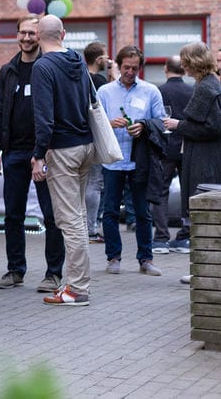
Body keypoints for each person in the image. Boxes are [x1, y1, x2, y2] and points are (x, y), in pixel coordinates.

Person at [0, 14, 64, 294]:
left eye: (32, 34)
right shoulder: (8, 70)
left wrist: (44, 152)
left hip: (45, 153)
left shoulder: (47, 68)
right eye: (22, 33)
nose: (26, 38)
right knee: (13, 215)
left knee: (51, 215)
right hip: (14, 153)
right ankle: (15, 269)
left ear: (40, 36)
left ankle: (53, 273)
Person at [31, 15, 97, 307]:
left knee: (70, 222)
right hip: (85, 145)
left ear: (36, 35)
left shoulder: (43, 67)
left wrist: (37, 156)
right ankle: (73, 283)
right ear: (64, 34)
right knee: (78, 217)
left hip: (62, 150)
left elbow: (44, 119)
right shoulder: (77, 61)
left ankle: (78, 289)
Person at [164, 42, 221, 257]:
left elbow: (211, 127)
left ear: (193, 61)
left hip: (206, 160)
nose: (182, 64)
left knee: (205, 217)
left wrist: (177, 125)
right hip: (210, 157)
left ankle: (202, 267)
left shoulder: (205, 87)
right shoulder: (210, 83)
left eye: (185, 59)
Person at [96, 46, 167, 277]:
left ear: (140, 67)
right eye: (126, 67)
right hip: (113, 160)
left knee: (142, 211)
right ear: (118, 65)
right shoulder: (105, 91)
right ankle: (113, 258)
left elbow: (162, 122)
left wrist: (144, 125)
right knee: (110, 211)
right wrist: (109, 122)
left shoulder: (151, 91)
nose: (130, 72)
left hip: (139, 160)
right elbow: (94, 122)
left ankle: (145, 259)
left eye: (134, 68)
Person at [153, 56, 193, 253]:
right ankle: (185, 235)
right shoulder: (192, 91)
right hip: (186, 147)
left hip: (166, 148)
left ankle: (161, 237)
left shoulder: (159, 91)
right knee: (188, 190)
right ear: (184, 70)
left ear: (165, 68)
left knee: (161, 190)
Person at [83, 41, 117, 243]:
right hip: (97, 137)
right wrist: (113, 75)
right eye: (106, 57)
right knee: (94, 184)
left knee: (84, 183)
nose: (109, 60)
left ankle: (83, 227)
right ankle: (91, 229)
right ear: (99, 60)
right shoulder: (101, 82)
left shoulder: (81, 77)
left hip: (81, 136)